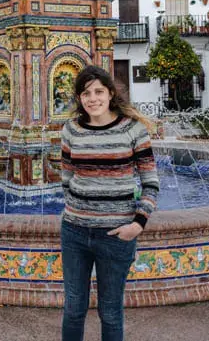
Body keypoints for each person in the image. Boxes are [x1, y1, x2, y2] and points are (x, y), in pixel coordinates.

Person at [59, 65, 159, 341]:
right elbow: (66, 177)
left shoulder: (134, 130)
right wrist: (76, 211)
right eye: (86, 93)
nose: (93, 98)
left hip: (116, 235)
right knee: (73, 308)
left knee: (111, 311)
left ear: (111, 93)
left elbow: (150, 183)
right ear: (79, 98)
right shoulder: (71, 130)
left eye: (98, 91)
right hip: (74, 233)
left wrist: (137, 224)